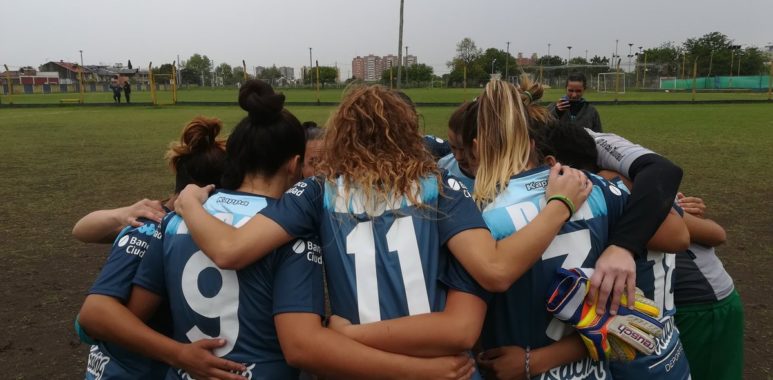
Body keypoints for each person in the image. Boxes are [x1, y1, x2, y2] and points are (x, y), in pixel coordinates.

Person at [173, 84, 592, 373]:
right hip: (433, 361)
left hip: (354, 366)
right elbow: (495, 271)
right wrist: (559, 205)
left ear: (343, 136)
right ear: (408, 133)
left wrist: (190, 203)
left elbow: (228, 250)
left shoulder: (317, 192)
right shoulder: (440, 189)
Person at [85, 81, 479, 380]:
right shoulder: (445, 190)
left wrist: (186, 204)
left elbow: (102, 313)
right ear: (294, 164)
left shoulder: (176, 220)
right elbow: (302, 345)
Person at [77, 116, 239, 379]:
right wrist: (179, 354)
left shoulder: (159, 221)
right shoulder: (151, 226)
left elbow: (80, 230)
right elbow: (94, 314)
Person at [538, 124, 692, 379]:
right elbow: (692, 233)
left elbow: (605, 324)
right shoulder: (634, 191)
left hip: (635, 358)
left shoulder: (602, 197)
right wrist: (678, 207)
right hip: (666, 347)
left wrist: (531, 361)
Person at [673, 193, 743, 380]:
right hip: (663, 305)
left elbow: (717, 235)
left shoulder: (636, 177)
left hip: (700, 304)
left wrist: (677, 210)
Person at [437, 102, 476, 190]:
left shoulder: (501, 176)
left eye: (464, 150)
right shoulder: (443, 167)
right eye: (453, 147)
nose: (458, 157)